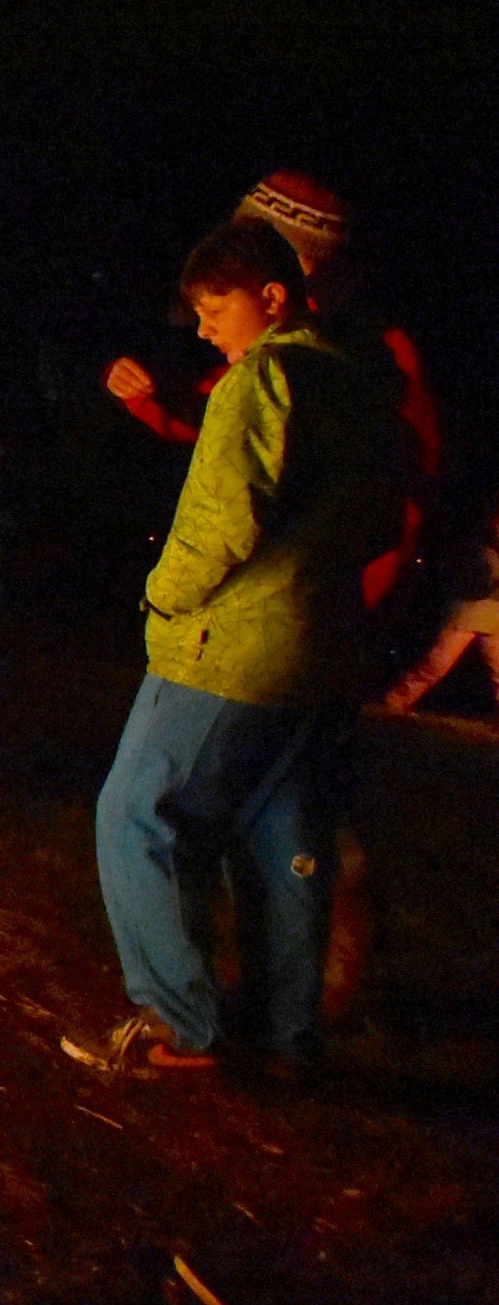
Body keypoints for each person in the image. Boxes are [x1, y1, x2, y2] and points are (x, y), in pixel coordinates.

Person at [90, 219, 397, 1077]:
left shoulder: (262, 377)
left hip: (233, 649)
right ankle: (286, 1036)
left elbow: (223, 521)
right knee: (280, 838)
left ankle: (182, 1021)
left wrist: (162, 593)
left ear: (271, 295)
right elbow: (382, 515)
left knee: (136, 813)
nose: (203, 329)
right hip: (319, 649)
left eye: (216, 308)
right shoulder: (355, 378)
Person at [105, 171, 437, 610]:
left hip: (313, 603)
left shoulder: (361, 353)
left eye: (245, 249)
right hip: (270, 601)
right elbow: (216, 413)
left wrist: (360, 601)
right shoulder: (266, 348)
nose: (203, 329)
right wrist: (145, 391)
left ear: (295, 269)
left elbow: (401, 485)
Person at [376, 499, 499, 716]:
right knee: (437, 663)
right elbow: (476, 583)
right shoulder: (479, 549)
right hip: (469, 613)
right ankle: (396, 701)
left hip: (493, 614)